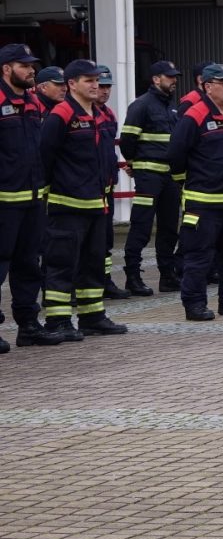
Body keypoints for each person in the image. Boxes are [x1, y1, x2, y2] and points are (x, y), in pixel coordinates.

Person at [38, 59, 128, 339]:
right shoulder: (61, 114)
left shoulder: (100, 114)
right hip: (67, 205)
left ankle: (92, 316)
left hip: (97, 204)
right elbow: (44, 155)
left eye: (96, 80)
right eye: (88, 80)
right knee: (62, 263)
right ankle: (58, 320)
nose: (95, 85)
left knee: (93, 262)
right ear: (72, 84)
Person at [170, 64, 223, 322]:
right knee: (199, 256)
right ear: (208, 86)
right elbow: (176, 154)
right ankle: (194, 303)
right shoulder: (194, 115)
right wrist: (188, 183)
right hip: (204, 202)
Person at [0, 43, 63, 349]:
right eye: (24, 66)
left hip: (33, 199)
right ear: (6, 69)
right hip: (4, 201)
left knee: (29, 265)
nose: (31, 70)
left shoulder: (34, 103)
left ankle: (28, 325)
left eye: (32, 65)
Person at [119, 60, 183, 296]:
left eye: (174, 76)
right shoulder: (141, 105)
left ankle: (167, 277)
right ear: (156, 79)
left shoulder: (171, 107)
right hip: (148, 178)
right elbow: (127, 141)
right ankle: (132, 277)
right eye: (169, 77)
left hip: (169, 178)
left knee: (168, 226)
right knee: (141, 226)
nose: (174, 80)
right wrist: (135, 164)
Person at [92, 65, 130, 299]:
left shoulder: (108, 114)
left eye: (108, 87)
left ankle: (104, 280)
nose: (105, 91)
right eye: (101, 86)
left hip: (106, 187)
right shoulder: (79, 114)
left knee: (105, 239)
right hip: (86, 190)